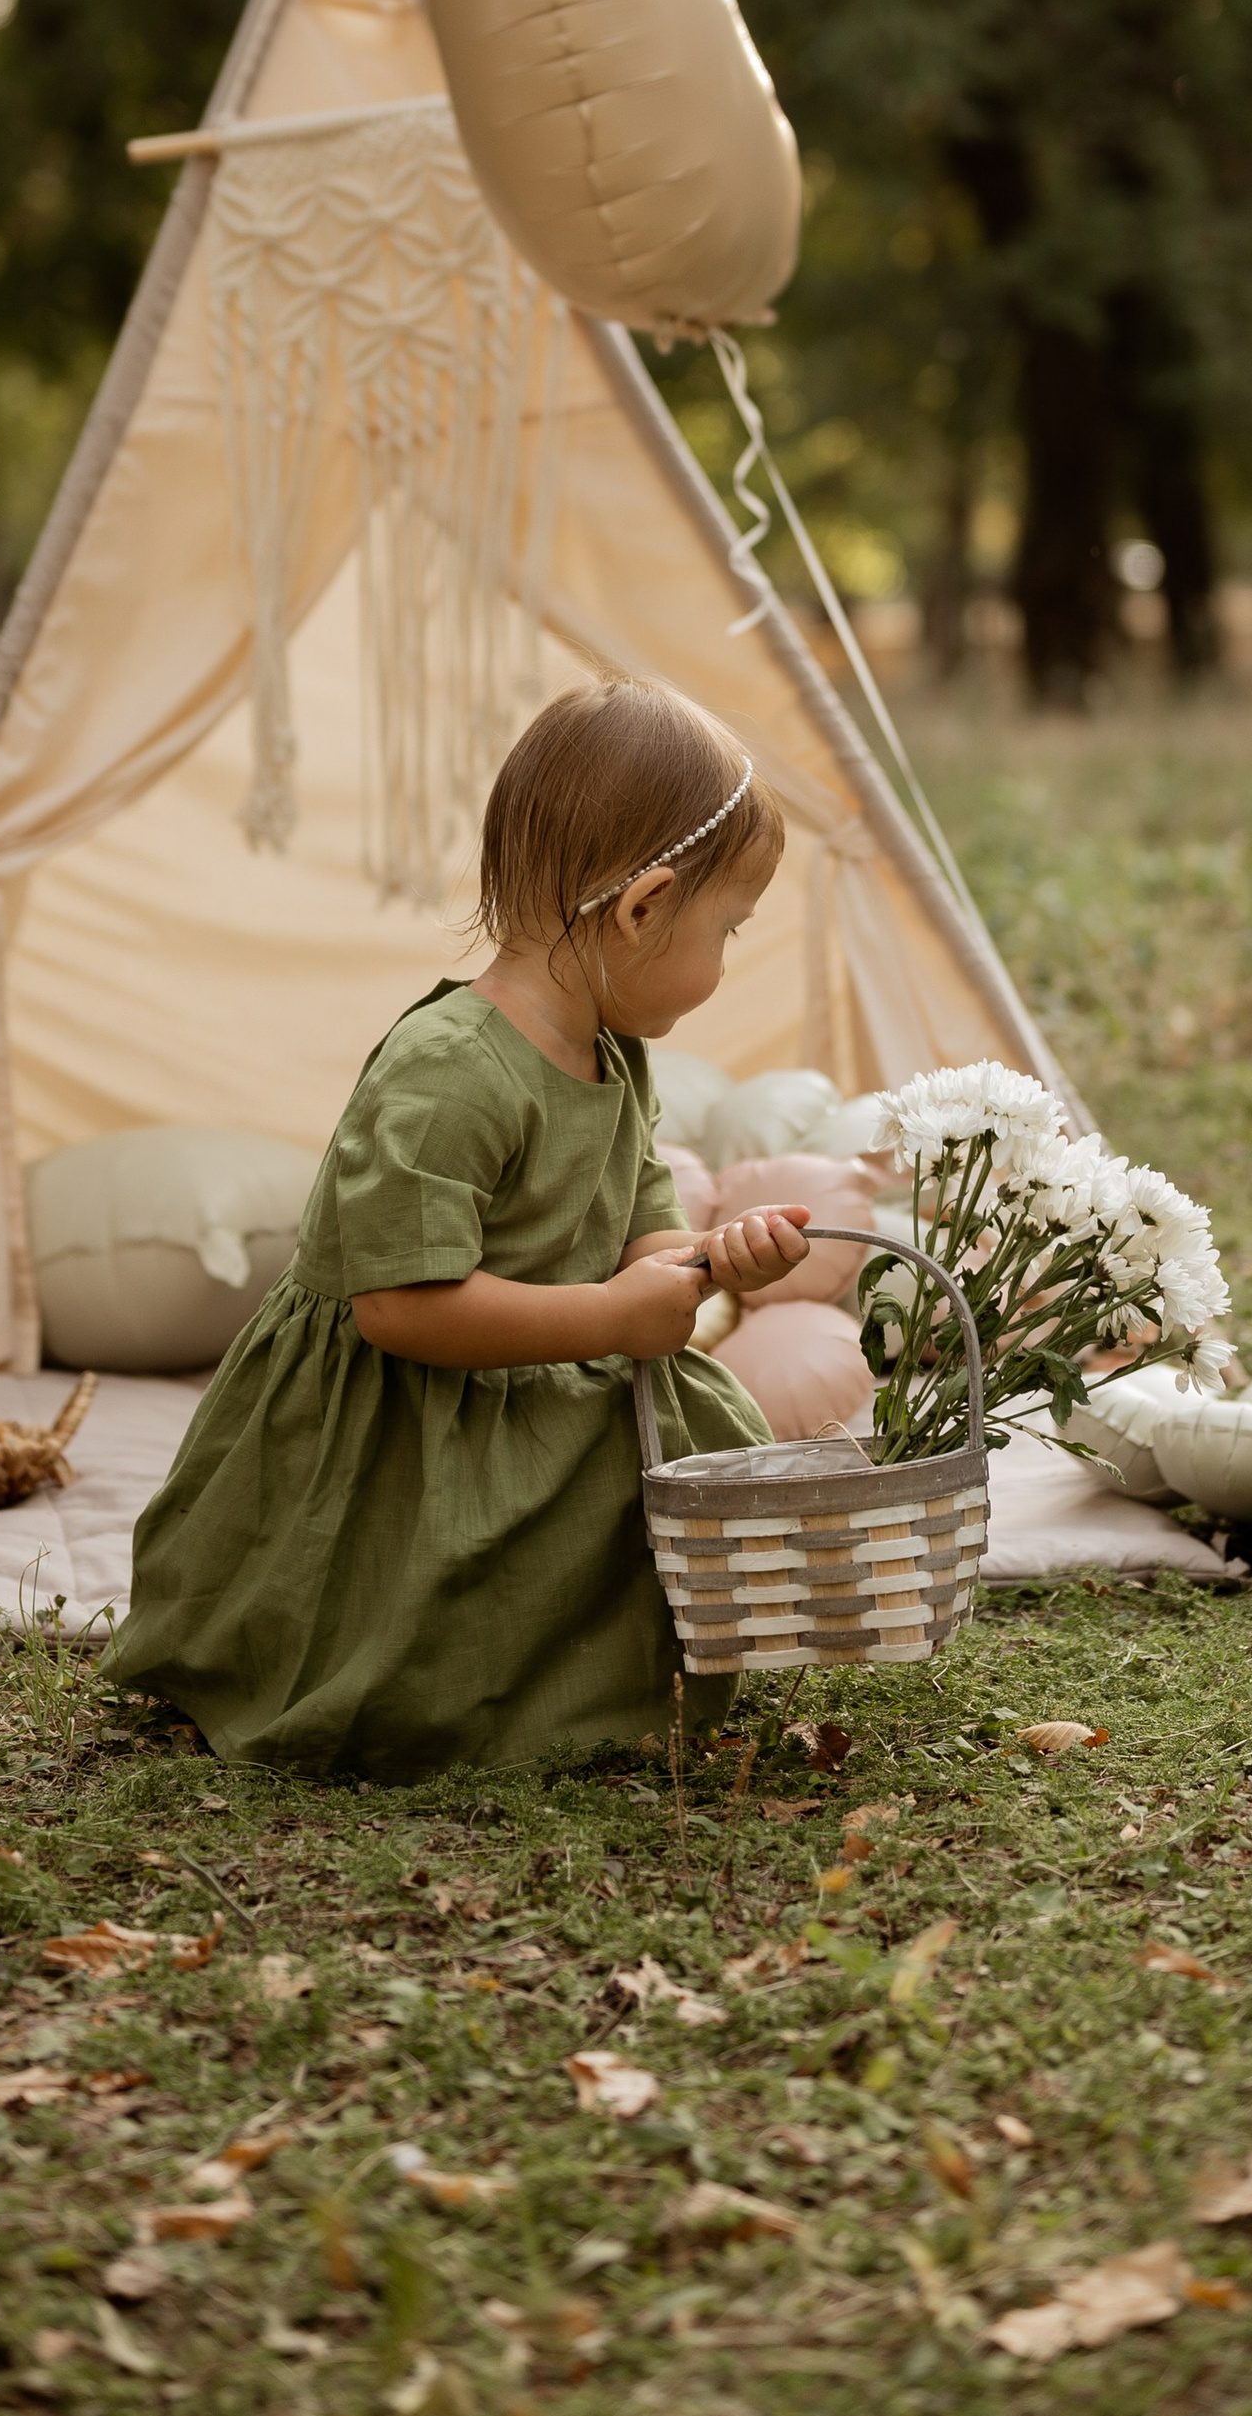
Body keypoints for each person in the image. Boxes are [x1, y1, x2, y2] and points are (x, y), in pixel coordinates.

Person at [106, 679, 813, 1777]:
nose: (725, 961)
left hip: (547, 1370)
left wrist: (712, 1261)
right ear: (643, 906)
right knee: (425, 1621)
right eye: (727, 928)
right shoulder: (446, 1070)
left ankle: (602, 1673)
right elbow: (399, 1306)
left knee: (703, 1462)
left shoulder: (615, 1052)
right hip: (404, 1418)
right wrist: (611, 1316)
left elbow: (640, 1232)